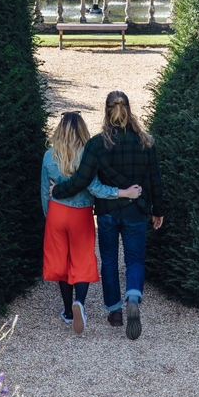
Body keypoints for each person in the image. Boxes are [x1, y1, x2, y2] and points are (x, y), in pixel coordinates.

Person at [51, 92, 165, 341]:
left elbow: (81, 181)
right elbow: (155, 179)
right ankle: (133, 296)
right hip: (136, 212)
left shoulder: (96, 144)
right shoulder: (145, 142)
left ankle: (114, 312)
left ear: (106, 111)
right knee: (135, 259)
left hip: (107, 212)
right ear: (129, 109)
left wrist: (57, 191)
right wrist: (158, 210)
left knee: (110, 261)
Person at [41, 111, 142, 336]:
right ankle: (81, 305)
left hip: (57, 213)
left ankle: (68, 311)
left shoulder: (49, 156)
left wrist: (49, 217)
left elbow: (43, 192)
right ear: (82, 131)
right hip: (80, 214)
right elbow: (95, 188)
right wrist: (122, 192)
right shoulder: (87, 155)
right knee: (82, 259)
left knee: (62, 261)